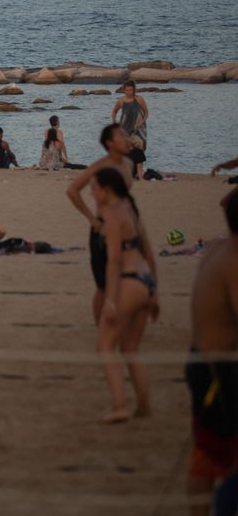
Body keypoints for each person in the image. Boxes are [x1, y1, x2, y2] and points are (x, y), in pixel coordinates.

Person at [187, 192, 238, 516]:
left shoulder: (218, 247)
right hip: (219, 370)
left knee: (209, 448)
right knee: (214, 451)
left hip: (202, 361)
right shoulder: (233, 258)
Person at [91, 167, 159, 424]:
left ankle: (120, 405)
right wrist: (155, 294)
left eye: (94, 188)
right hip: (145, 281)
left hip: (128, 282)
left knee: (105, 346)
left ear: (106, 189)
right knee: (131, 348)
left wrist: (110, 299)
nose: (92, 192)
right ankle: (143, 405)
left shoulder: (110, 213)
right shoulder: (130, 208)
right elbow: (149, 252)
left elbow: (114, 260)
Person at [66, 124, 138, 324]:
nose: (126, 138)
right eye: (121, 136)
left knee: (126, 278)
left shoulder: (128, 164)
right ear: (109, 143)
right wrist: (92, 219)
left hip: (127, 228)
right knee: (103, 286)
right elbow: (72, 190)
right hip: (103, 230)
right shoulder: (100, 167)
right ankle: (101, 328)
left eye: (126, 134)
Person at [113, 81, 150, 178]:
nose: (129, 92)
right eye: (127, 90)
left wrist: (142, 121)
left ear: (134, 90)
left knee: (139, 150)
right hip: (124, 130)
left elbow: (146, 113)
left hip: (139, 129)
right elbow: (114, 112)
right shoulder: (121, 101)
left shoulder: (139, 99)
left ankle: (139, 172)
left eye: (131, 90)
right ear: (124, 90)